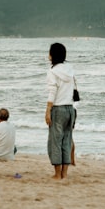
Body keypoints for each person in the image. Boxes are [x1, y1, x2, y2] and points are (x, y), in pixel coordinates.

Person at [45, 42, 76, 180]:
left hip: (58, 108)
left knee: (55, 141)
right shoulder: (70, 71)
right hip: (70, 109)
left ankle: (57, 174)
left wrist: (47, 110)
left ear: (52, 55)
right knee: (66, 140)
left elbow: (52, 92)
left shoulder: (52, 72)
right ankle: (64, 173)